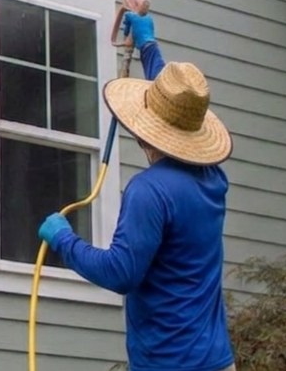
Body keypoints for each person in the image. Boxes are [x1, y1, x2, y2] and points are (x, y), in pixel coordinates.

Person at [38, 61, 235, 371]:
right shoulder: (214, 179)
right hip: (218, 361)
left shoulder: (149, 191)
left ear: (143, 133)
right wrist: (148, 45)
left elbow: (121, 272)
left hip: (168, 364)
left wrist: (64, 241)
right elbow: (178, 105)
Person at [112, 0, 164, 81]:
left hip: (145, 47)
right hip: (153, 45)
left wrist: (126, 39)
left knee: (152, 70)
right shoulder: (148, 18)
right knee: (156, 66)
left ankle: (157, 82)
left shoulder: (130, 15)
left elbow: (127, 30)